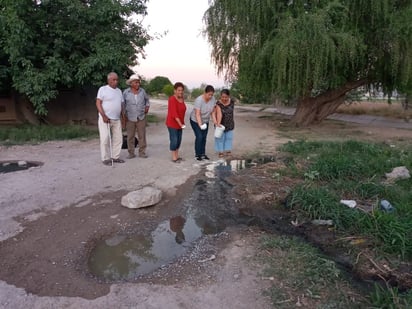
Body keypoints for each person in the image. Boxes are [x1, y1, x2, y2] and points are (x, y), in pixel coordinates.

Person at [96, 72, 125, 165]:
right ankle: (105, 158)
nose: (116, 82)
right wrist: (104, 115)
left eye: (117, 80)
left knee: (118, 139)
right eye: (113, 80)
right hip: (105, 118)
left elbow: (121, 105)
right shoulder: (103, 89)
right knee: (105, 139)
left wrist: (123, 118)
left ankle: (115, 157)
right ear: (108, 80)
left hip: (116, 119)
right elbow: (98, 103)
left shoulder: (119, 91)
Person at [122, 74, 150, 158]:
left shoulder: (142, 91)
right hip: (130, 117)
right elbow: (123, 105)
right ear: (131, 83)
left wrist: (147, 107)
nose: (138, 84)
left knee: (142, 136)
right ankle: (131, 153)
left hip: (141, 117)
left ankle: (142, 152)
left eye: (138, 82)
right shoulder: (126, 92)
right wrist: (124, 117)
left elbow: (147, 100)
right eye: (136, 82)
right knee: (130, 136)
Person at [190, 85, 217, 161]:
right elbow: (197, 114)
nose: (210, 96)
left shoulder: (213, 99)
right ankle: (197, 154)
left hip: (205, 120)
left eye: (212, 95)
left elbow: (212, 112)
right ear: (205, 93)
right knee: (199, 136)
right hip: (195, 120)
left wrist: (215, 122)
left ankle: (203, 154)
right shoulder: (199, 100)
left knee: (204, 137)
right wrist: (200, 125)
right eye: (209, 94)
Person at [166, 82, 187, 163]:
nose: (180, 92)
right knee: (174, 140)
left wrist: (182, 123)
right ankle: (174, 157)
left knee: (179, 140)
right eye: (178, 90)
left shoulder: (182, 99)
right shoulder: (172, 99)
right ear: (175, 90)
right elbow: (174, 114)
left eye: (182, 90)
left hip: (180, 123)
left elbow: (182, 111)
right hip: (172, 123)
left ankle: (177, 155)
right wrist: (180, 124)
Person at [213, 89, 235, 157]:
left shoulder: (232, 102)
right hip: (220, 124)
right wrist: (216, 123)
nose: (224, 98)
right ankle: (221, 151)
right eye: (222, 97)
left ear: (229, 96)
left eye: (226, 97)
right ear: (220, 96)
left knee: (229, 137)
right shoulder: (218, 104)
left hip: (230, 123)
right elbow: (214, 113)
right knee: (220, 138)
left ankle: (228, 150)